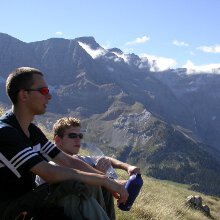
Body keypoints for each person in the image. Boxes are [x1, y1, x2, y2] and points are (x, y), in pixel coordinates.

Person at [0, 67, 128, 220]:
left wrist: (109, 181)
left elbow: (67, 161)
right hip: (9, 210)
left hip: (28, 199)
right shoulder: (5, 132)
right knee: (71, 185)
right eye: (44, 91)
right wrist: (103, 179)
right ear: (24, 95)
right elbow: (50, 173)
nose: (49, 97)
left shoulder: (31, 130)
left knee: (97, 183)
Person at [51, 117, 140, 219]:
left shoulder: (78, 159)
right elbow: (72, 184)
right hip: (65, 214)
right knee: (99, 183)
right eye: (72, 136)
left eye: (80, 136)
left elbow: (104, 159)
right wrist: (99, 177)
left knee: (104, 184)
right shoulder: (50, 164)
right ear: (58, 140)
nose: (78, 139)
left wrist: (128, 167)